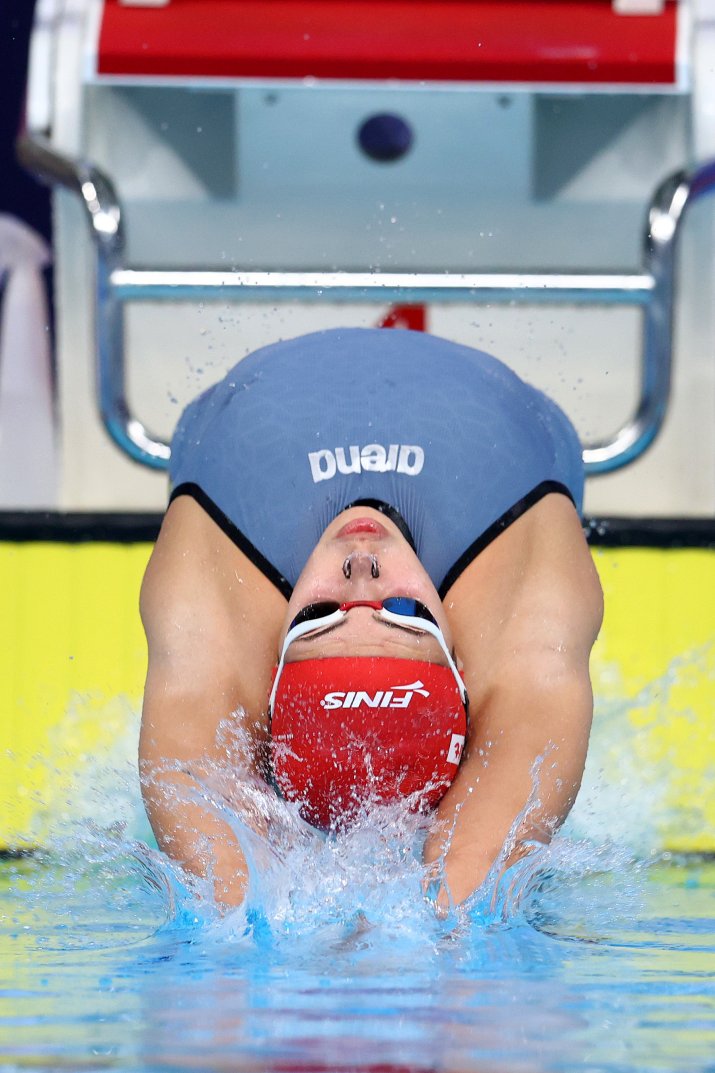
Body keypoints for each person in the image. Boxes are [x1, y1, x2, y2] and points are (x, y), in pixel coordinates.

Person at [139, 328, 603, 912]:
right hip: (518, 437)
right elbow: (469, 882)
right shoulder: (526, 604)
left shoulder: (218, 592)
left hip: (235, 432)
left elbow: (197, 800)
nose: (362, 569)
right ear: (465, 666)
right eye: (406, 613)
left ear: (269, 665)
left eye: (317, 615)